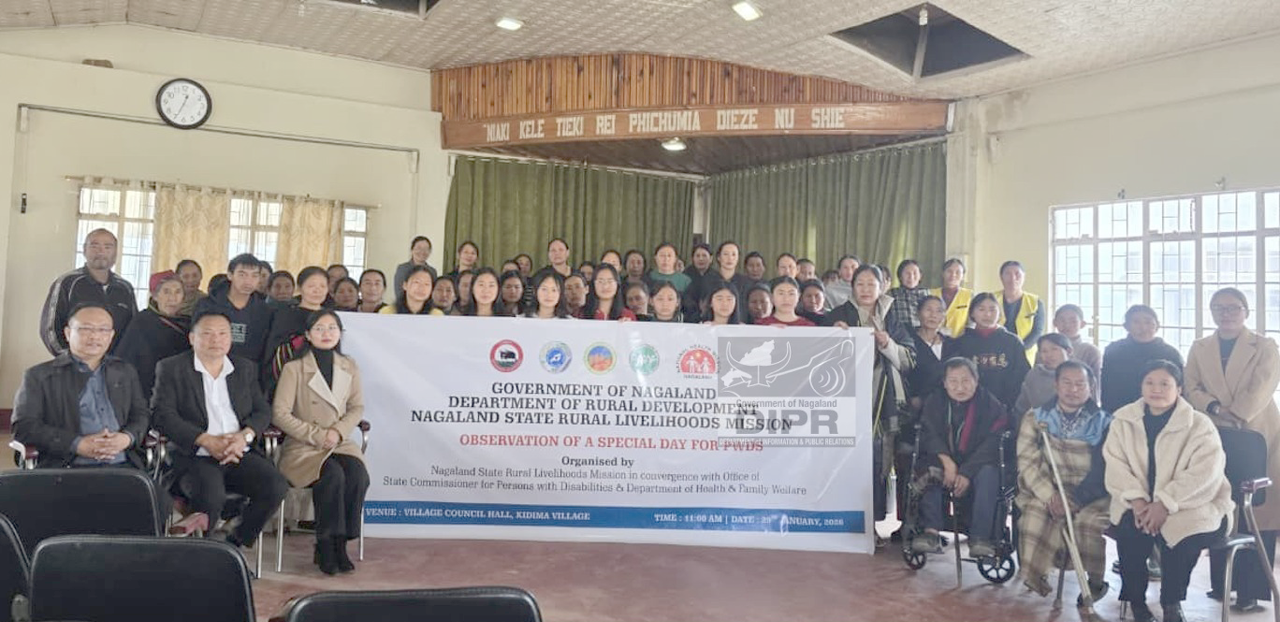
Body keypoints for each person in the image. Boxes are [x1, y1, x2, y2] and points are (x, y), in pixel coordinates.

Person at [1105, 360, 1234, 622]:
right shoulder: (1123, 420)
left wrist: (1165, 503)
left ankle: (1171, 604)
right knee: (1130, 529)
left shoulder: (1199, 424)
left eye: (1165, 384)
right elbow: (1116, 465)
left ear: (1179, 389)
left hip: (1193, 504)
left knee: (1180, 534)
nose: (1156, 389)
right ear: (1141, 386)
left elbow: (1205, 474)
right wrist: (1138, 500)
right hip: (1138, 503)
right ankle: (1136, 603)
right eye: (1150, 383)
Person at [152, 311, 289, 550]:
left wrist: (244, 436)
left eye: (222, 334)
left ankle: (234, 543)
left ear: (230, 338)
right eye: (207, 334)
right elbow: (162, 415)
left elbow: (262, 411)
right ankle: (201, 555)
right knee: (211, 497)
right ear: (192, 338)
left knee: (275, 485)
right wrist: (205, 440)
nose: (216, 339)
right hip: (195, 455)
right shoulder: (172, 368)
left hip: (238, 452)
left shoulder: (244, 368)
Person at [1184, 287, 1280, 612]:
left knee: (1255, 510)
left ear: (1246, 312)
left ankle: (1251, 591)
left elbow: (1264, 385)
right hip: (1215, 431)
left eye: (1233, 308)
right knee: (1221, 506)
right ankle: (1221, 584)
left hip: (1257, 431)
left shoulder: (1265, 346)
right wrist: (1215, 408)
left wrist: (1237, 413)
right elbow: (1191, 385)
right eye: (1219, 308)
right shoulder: (1200, 347)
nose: (1226, 314)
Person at [271, 310, 369, 575]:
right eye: (319, 328)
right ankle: (326, 543)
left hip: (338, 441)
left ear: (340, 333)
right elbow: (280, 414)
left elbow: (357, 407)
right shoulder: (294, 369)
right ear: (308, 334)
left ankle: (341, 541)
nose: (326, 333)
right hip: (303, 445)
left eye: (332, 328)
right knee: (332, 476)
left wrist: (337, 431)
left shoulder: (349, 365)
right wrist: (317, 435)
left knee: (357, 474)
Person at [826, 264, 915, 524]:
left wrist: (887, 343)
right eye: (860, 284)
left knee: (880, 462)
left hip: (884, 401)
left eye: (871, 284)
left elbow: (909, 360)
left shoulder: (892, 317)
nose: (865, 290)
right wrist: (832, 335)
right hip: (847, 402)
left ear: (882, 287)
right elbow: (819, 357)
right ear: (852, 287)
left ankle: (872, 525)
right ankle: (845, 520)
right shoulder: (838, 315)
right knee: (848, 463)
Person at [1016, 361, 1112, 602]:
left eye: (1080, 384)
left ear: (1091, 387)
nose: (1073, 389)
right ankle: (1037, 574)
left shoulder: (1105, 422)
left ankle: (1095, 581)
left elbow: (1104, 470)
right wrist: (1050, 496)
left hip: (1092, 493)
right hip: (1049, 488)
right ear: (1056, 385)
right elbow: (1027, 461)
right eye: (1067, 383)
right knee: (1035, 514)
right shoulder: (1036, 417)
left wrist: (1075, 499)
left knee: (1088, 523)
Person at [13, 303, 150, 469]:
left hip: (123, 466)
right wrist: (76, 444)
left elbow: (141, 415)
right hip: (66, 467)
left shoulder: (125, 372)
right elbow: (24, 427)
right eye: (86, 329)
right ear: (68, 333)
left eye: (103, 330)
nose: (95, 336)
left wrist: (127, 438)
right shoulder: (39, 376)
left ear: (111, 335)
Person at [911, 358, 1010, 557]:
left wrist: (966, 472)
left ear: (976, 380)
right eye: (953, 381)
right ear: (944, 383)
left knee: (989, 474)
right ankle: (931, 532)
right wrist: (948, 463)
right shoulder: (935, 401)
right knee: (928, 469)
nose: (960, 387)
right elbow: (929, 434)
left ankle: (980, 537)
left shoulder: (991, 405)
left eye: (965, 381)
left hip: (978, 463)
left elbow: (992, 443)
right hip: (943, 460)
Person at [41, 228, 138, 355]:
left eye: (108, 247)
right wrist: (68, 359)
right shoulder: (67, 283)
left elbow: (133, 330)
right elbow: (50, 329)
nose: (101, 251)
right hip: (75, 362)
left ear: (115, 252)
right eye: (94, 246)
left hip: (115, 363)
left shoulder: (125, 288)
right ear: (84, 250)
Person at [944, 292, 1031, 410]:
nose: (987, 314)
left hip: (1006, 406)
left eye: (992, 309)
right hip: (969, 407)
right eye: (981, 309)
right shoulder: (961, 343)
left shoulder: (1012, 342)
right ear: (972, 313)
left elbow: (1022, 375)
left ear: (999, 313)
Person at [116, 272, 192, 403]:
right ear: (155, 296)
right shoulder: (142, 322)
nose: (172, 298)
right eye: (166, 292)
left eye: (178, 292)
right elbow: (126, 360)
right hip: (148, 390)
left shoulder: (188, 322)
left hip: (180, 389)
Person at [1101, 305, 1183, 414]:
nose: (1143, 327)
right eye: (1136, 322)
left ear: (1157, 325)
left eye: (1148, 322)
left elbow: (1179, 388)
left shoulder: (1170, 354)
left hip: (1160, 411)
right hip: (1120, 412)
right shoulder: (1113, 350)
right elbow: (1106, 387)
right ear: (1126, 326)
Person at [264, 266, 332, 397]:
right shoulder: (286, 315)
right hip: (291, 384)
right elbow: (275, 351)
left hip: (325, 382)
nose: (317, 290)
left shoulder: (331, 317)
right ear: (300, 288)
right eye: (311, 286)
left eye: (322, 286)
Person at [195, 254, 273, 364]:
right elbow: (197, 340)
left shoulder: (264, 310)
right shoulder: (207, 305)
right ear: (230, 275)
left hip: (249, 369)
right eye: (242, 275)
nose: (248, 281)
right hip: (211, 366)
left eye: (254, 276)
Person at [994, 260, 1045, 363]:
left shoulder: (1035, 302)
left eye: (1017, 274)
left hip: (1024, 354)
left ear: (1024, 277)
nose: (1013, 278)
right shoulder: (992, 299)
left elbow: (1037, 331)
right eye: (1008, 274)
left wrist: (1020, 349)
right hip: (995, 352)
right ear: (1001, 277)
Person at [1014, 333, 1073, 415]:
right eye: (1044, 351)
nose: (1049, 355)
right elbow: (1022, 406)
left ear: (1069, 351)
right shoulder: (1034, 374)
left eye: (1054, 349)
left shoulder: (1079, 374)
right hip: (1039, 421)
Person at [1054, 304, 1103, 386]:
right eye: (1062, 320)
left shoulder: (1090, 351)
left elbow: (1096, 384)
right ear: (1054, 323)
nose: (1067, 325)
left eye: (1073, 321)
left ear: (1082, 324)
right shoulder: (1045, 349)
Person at [930, 258, 974, 338]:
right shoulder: (931, 294)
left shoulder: (969, 296)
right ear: (943, 273)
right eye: (949, 271)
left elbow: (972, 322)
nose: (953, 275)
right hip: (934, 339)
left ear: (963, 276)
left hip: (960, 341)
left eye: (958, 272)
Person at [888, 259, 928, 330]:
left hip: (922, 333)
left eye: (915, 273)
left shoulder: (926, 294)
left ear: (920, 276)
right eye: (907, 273)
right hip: (899, 333)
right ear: (900, 276)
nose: (911, 277)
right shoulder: (892, 294)